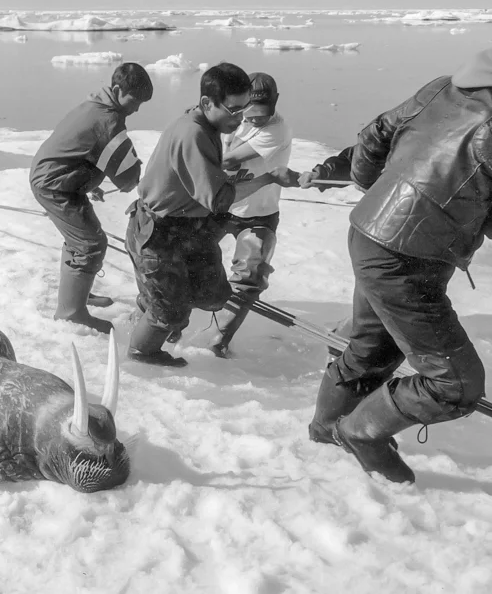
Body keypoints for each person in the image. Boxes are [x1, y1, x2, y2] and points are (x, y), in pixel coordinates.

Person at [304, 48, 492, 483]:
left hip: (373, 234)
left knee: (373, 347)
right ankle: (358, 433)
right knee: (455, 384)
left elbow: (376, 134)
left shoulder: (442, 87)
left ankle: (324, 432)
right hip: (408, 257)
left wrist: (376, 188)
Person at [124, 62, 298, 366]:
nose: (240, 118)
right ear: (207, 102)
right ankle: (143, 351)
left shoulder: (208, 125)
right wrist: (268, 178)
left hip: (187, 225)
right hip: (157, 229)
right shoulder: (193, 134)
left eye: (244, 109)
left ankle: (158, 306)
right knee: (171, 312)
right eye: (233, 110)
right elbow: (219, 200)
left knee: (213, 294)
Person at [29, 62, 153, 334]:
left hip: (57, 178)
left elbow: (84, 150)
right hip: (54, 184)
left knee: (81, 240)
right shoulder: (107, 119)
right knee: (89, 243)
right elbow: (126, 174)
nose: (137, 109)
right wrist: (133, 177)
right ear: (118, 90)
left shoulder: (95, 104)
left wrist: (88, 181)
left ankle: (77, 296)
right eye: (135, 101)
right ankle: (71, 312)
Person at [208, 73, 294, 358]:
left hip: (260, 214)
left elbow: (229, 159)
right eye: (250, 113)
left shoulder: (277, 129)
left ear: (275, 103)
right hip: (221, 206)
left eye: (262, 114)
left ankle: (217, 338)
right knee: (186, 259)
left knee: (249, 277)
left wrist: (198, 154)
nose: (256, 120)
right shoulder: (230, 118)